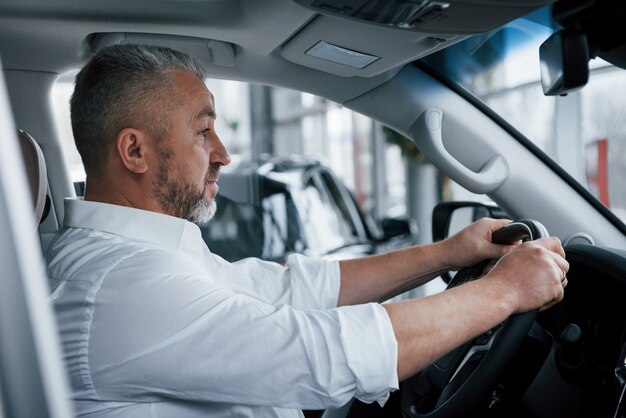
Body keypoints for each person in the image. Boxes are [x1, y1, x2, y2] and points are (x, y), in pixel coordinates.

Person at [46, 44, 568, 418]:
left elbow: (296, 289)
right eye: (203, 131)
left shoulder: (137, 256)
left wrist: (449, 253)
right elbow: (329, 354)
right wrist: (502, 291)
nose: (223, 154)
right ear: (134, 151)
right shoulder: (122, 286)